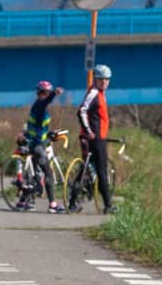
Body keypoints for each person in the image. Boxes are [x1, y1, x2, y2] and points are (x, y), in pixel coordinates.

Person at [73, 64, 117, 214]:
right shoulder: (94, 93)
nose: (104, 82)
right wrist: (89, 131)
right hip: (95, 138)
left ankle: (73, 202)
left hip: (97, 137)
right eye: (101, 80)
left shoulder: (100, 94)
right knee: (102, 171)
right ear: (96, 80)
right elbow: (81, 111)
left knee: (85, 169)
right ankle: (108, 206)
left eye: (106, 80)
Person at [21, 79, 65, 213]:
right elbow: (46, 101)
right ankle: (52, 205)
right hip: (37, 146)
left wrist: (50, 134)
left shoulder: (39, 107)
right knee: (49, 173)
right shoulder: (40, 105)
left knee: (35, 176)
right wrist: (54, 94)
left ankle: (22, 202)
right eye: (45, 93)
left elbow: (39, 129)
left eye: (47, 93)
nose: (46, 95)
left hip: (35, 142)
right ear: (41, 93)